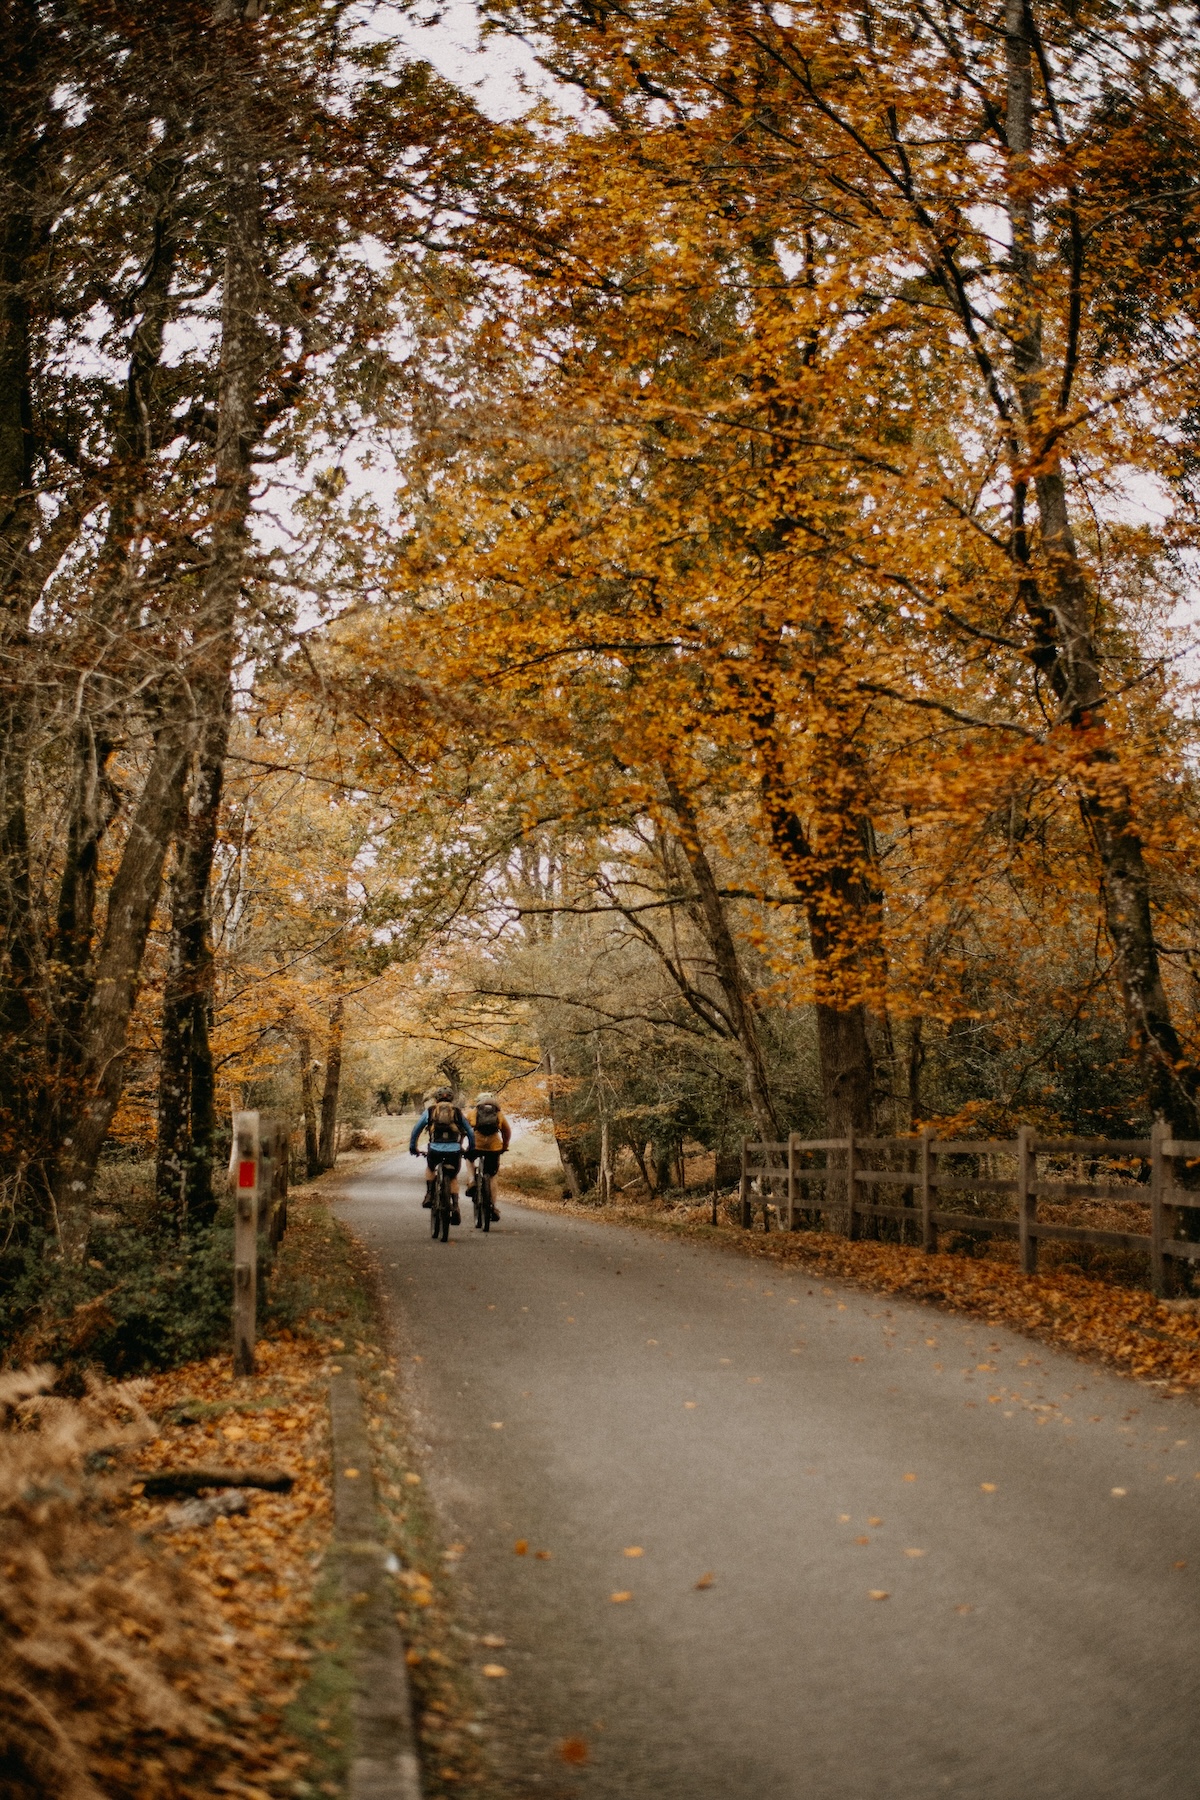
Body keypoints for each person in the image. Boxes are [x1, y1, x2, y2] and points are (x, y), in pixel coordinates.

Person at [409, 1086, 475, 1224]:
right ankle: (455, 1206)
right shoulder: (457, 1112)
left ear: (436, 1098)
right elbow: (469, 1131)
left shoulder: (431, 1111)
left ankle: (429, 1194)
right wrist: (471, 1148)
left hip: (435, 1149)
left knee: (431, 1168)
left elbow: (417, 1129)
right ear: (452, 1098)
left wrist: (413, 1146)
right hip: (454, 1150)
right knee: (453, 1177)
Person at [466, 1091, 511, 1222]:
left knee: (469, 1159)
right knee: (492, 1176)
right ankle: (493, 1205)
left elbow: (465, 1129)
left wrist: (462, 1143)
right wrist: (504, 1146)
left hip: (476, 1145)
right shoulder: (498, 1114)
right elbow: (506, 1131)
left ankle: (472, 1181)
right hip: (493, 1147)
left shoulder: (473, 1113)